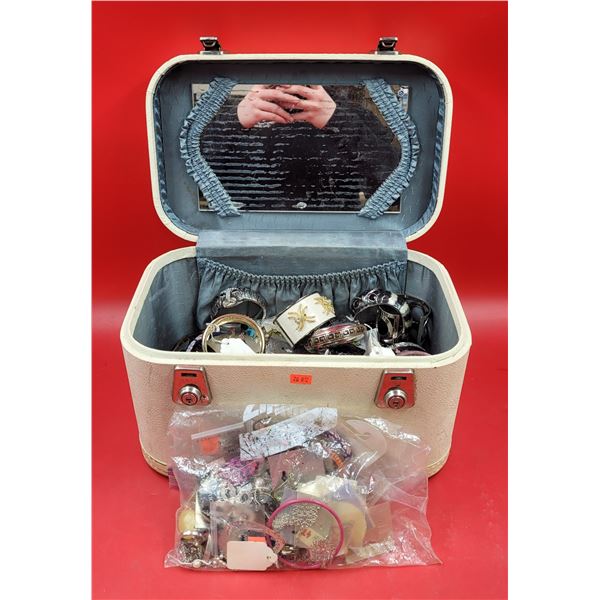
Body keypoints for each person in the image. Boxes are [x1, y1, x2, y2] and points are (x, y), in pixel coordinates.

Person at [199, 84, 400, 211]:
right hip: (243, 238)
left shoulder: (352, 113)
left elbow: (394, 195)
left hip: (335, 241)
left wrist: (338, 119)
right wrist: (234, 121)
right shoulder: (233, 111)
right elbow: (194, 191)